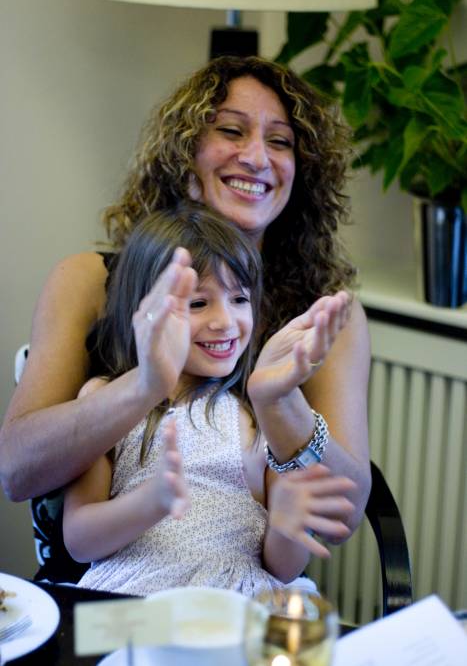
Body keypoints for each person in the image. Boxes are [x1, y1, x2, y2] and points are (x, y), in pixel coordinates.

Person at [0, 55, 371, 581]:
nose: (257, 157)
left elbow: (343, 515)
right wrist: (147, 385)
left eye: (281, 141)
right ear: (184, 152)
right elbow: (16, 472)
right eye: (231, 130)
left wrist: (279, 399)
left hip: (244, 595)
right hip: (109, 594)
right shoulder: (90, 280)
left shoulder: (326, 316)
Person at [63, 204, 355, 596]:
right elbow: (79, 542)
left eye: (239, 299)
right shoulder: (105, 398)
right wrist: (152, 502)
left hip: (239, 600)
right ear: (146, 311)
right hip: (132, 598)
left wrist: (288, 526)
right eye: (198, 303)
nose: (225, 321)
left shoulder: (258, 412)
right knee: (89, 649)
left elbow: (283, 569)